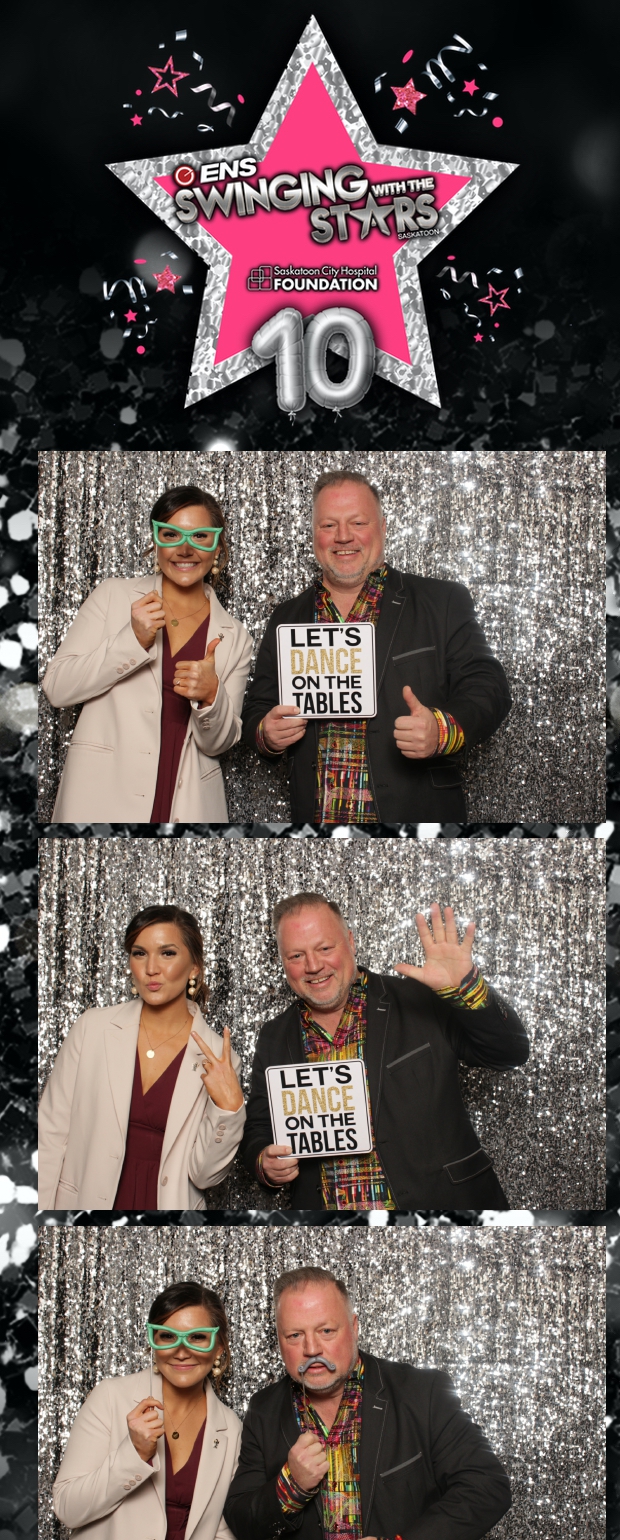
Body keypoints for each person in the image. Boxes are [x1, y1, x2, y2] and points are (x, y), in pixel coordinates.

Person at [242, 468, 511, 825]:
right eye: (328, 525)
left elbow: (489, 688)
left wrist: (441, 730)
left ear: (382, 527)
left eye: (358, 522)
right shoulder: (286, 616)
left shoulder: (442, 601)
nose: (343, 536)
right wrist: (267, 733)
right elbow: (257, 708)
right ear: (313, 534)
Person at [224, 1267, 511, 1540]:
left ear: (354, 1327)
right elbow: (240, 1519)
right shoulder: (264, 1409)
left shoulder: (421, 1393)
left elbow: (487, 1487)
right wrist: (291, 1486)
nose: (312, 1348)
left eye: (326, 1330)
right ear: (279, 1340)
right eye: (294, 1336)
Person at [242, 891, 529, 1211]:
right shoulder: (275, 1035)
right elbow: (259, 1126)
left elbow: (508, 1052)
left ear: (350, 941)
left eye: (325, 948)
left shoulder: (419, 1000)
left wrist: (466, 988)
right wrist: (263, 1162)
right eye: (296, 956)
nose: (313, 965)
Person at [42, 484, 253, 822]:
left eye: (200, 536)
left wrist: (211, 696)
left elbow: (218, 743)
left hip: (188, 804)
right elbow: (57, 688)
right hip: (103, 794)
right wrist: (132, 640)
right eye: (171, 535)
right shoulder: (112, 596)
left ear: (218, 547)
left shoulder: (236, 636)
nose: (185, 549)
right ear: (156, 541)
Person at [38, 904, 245, 1210]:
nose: (151, 968)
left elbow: (204, 1176)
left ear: (194, 967)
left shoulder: (219, 1056)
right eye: (139, 953)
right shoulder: (93, 1027)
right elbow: (49, 1135)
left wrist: (228, 1109)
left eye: (167, 953)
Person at [46, 1281, 240, 1540]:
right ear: (154, 1342)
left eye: (197, 1337)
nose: (181, 1351)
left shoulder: (231, 1428)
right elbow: (67, 1508)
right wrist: (134, 1454)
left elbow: (221, 1536)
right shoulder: (111, 1397)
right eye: (167, 1336)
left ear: (219, 1347)